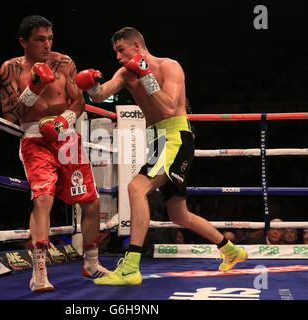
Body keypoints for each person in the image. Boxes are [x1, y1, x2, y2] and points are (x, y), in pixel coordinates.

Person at [75, 27, 247, 285]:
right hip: (156, 140)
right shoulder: (125, 73)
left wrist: (146, 74)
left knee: (136, 188)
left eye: (121, 50)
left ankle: (131, 266)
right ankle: (231, 250)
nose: (118, 58)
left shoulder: (170, 66)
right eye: (115, 53)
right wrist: (90, 85)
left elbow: (168, 107)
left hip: (176, 136)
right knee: (179, 215)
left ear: (136, 45)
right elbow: (102, 95)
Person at [0, 15, 109, 292]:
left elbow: (78, 101)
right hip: (35, 139)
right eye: (40, 39)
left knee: (91, 202)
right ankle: (39, 272)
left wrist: (64, 121)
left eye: (49, 38)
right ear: (24, 42)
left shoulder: (64, 62)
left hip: (67, 136)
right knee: (43, 197)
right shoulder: (11, 68)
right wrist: (34, 88)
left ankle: (92, 263)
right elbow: (10, 114)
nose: (47, 45)